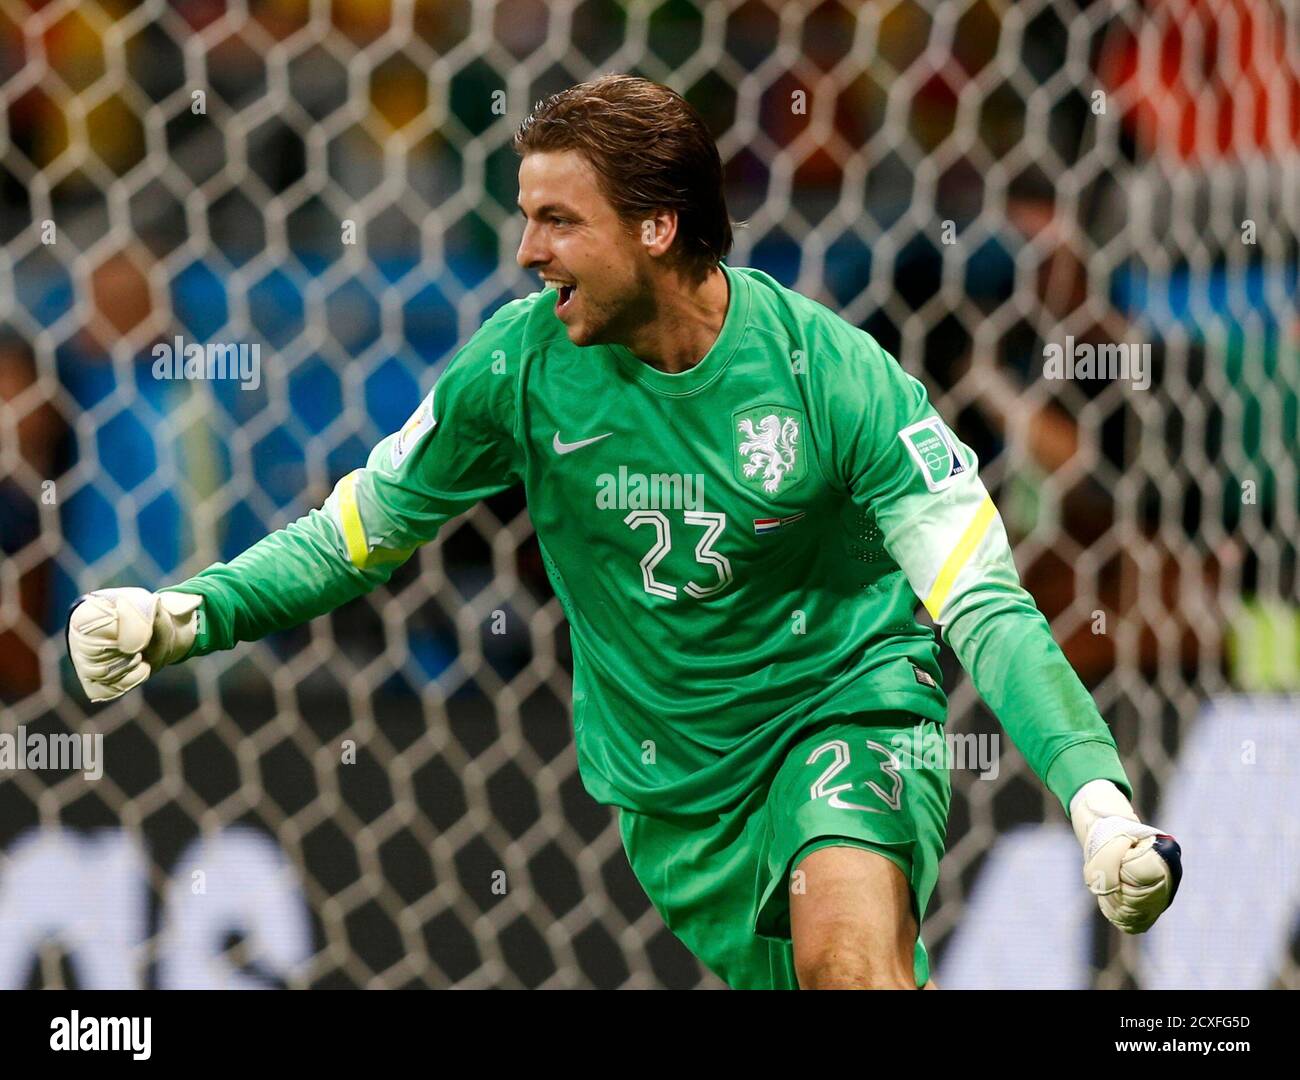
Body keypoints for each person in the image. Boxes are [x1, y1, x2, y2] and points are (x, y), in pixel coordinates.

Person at [66, 75, 1181, 990]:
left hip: (842, 711)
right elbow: (357, 533)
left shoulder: (835, 379)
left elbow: (983, 606)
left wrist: (1095, 805)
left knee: (851, 964)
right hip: (671, 791)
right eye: (524, 217)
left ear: (656, 228)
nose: (525, 251)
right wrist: (186, 615)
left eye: (558, 220)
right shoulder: (518, 366)